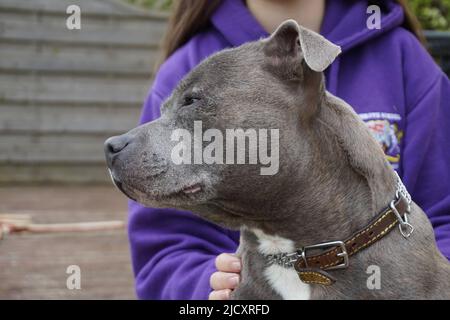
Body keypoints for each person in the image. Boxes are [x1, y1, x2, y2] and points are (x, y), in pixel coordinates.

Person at [128, 0, 450, 300]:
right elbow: (164, 247)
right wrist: (207, 285)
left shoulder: (401, 57)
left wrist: (422, 280)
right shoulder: (187, 63)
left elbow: (445, 212)